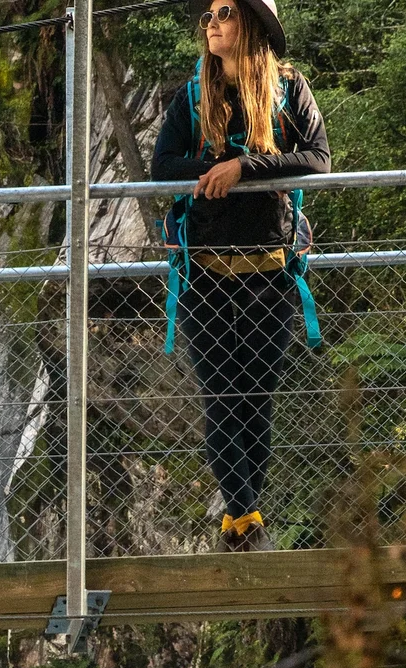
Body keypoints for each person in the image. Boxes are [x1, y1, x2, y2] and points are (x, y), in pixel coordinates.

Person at [151, 0, 331, 551]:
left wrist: (245, 167)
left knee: (256, 394)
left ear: (250, 25)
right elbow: (163, 167)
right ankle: (243, 513)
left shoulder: (288, 89)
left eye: (225, 12)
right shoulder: (192, 95)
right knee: (220, 395)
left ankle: (242, 516)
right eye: (208, 14)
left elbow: (319, 159)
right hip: (204, 272)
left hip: (269, 271)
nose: (211, 22)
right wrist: (213, 171)